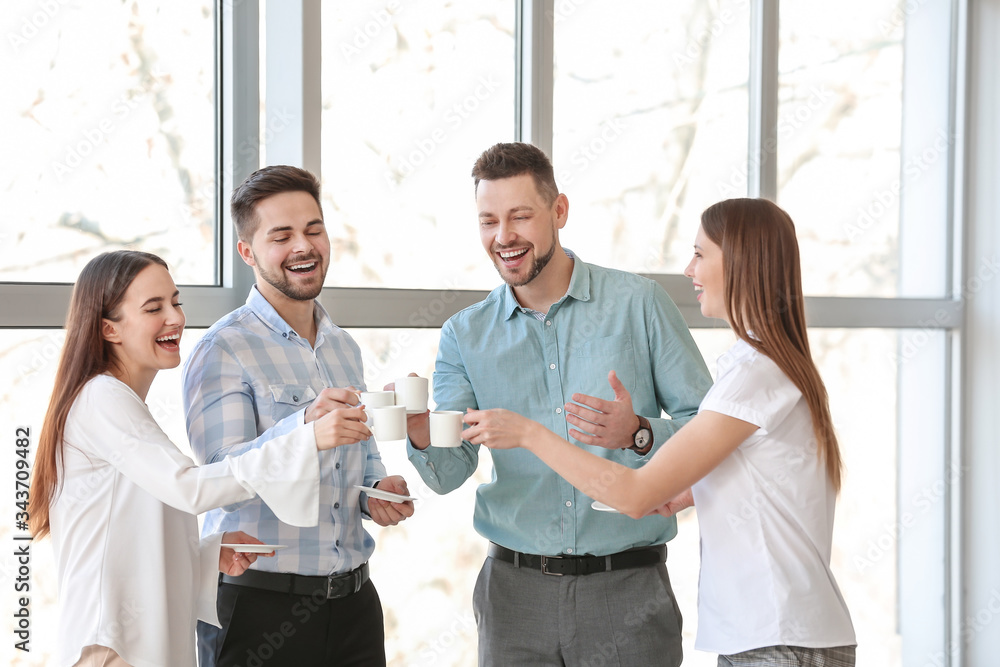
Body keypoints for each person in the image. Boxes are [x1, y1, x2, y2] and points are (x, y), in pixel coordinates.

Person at [464, 198, 858, 666]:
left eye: (700, 254)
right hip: (772, 637)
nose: (689, 269)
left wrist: (529, 434)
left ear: (740, 263)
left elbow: (631, 495)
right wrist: (689, 491)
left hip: (780, 640)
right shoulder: (759, 368)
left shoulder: (757, 375)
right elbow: (766, 478)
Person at [403, 142, 713, 666]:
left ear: (559, 211)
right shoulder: (464, 334)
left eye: (520, 216)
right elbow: (449, 472)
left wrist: (638, 432)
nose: (503, 237)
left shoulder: (638, 304)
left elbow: (708, 434)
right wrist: (418, 429)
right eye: (489, 221)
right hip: (513, 596)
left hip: (627, 588)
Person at [27, 250, 344, 667]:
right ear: (109, 328)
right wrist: (304, 440)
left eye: (175, 302)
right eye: (153, 308)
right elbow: (189, 488)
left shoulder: (119, 403)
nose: (174, 318)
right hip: (115, 648)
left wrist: (208, 555)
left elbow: (134, 536)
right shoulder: (100, 398)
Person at [184, 165, 414, 667]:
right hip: (258, 607)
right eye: (281, 236)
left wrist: (378, 493)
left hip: (354, 606)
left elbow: (361, 455)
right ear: (247, 252)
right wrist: (304, 428)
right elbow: (218, 476)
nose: (303, 246)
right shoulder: (223, 348)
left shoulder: (343, 347)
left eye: (313, 229)